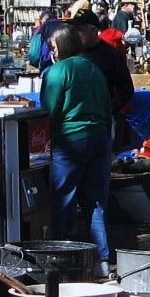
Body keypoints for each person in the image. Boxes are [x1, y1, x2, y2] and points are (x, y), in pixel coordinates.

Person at [40, 25, 114, 273]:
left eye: (52, 46)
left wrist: (47, 138)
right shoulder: (94, 69)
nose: (51, 51)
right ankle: (102, 261)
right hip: (98, 137)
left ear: (60, 46)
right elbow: (107, 108)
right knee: (95, 201)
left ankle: (57, 257)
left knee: (62, 199)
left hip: (70, 140)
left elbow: (50, 110)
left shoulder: (57, 71)